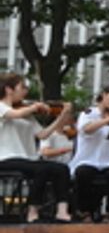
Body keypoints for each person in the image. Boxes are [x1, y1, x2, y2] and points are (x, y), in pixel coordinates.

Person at [0, 74, 74, 223]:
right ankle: (32, 211)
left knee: (61, 169)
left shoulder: (26, 113)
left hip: (26, 158)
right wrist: (35, 106)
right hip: (5, 157)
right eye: (22, 87)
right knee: (41, 169)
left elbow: (42, 134)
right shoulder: (3, 107)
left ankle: (62, 211)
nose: (26, 91)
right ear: (8, 89)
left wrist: (61, 117)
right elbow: (14, 114)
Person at [70, 83, 109, 222]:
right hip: (88, 159)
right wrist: (106, 120)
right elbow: (86, 129)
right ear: (103, 95)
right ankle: (85, 211)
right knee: (84, 173)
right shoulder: (89, 113)